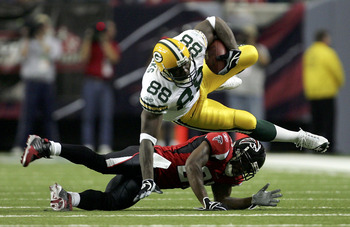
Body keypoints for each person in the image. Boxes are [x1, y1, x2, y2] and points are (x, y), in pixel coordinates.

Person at [137, 16, 329, 201]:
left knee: (251, 53)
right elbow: (147, 138)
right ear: (164, 71)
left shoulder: (190, 43)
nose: (185, 70)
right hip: (189, 109)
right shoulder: (155, 90)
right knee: (245, 121)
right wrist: (147, 179)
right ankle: (299, 137)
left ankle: (221, 79)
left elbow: (214, 22)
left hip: (203, 78)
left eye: (186, 64)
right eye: (178, 70)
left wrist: (232, 51)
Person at [21, 132, 282, 211]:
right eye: (244, 164)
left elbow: (222, 199)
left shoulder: (231, 174)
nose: (242, 171)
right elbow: (192, 165)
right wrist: (205, 201)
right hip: (151, 161)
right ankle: (45, 146)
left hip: (155, 181)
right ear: (237, 152)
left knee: (114, 203)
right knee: (101, 164)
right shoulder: (221, 143)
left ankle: (68, 199)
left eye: (248, 170)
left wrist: (251, 202)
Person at [11, 14, 61, 154]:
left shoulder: (51, 41)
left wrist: (41, 39)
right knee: (27, 116)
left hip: (47, 82)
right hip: (32, 82)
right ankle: (20, 145)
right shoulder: (28, 41)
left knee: (49, 116)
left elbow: (53, 55)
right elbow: (22, 55)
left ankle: (53, 147)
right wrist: (28, 37)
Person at [80, 20, 121, 154]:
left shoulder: (112, 44)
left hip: (106, 84)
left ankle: (105, 144)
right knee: (88, 115)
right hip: (91, 81)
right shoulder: (92, 45)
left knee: (106, 116)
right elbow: (83, 58)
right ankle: (88, 144)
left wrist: (104, 41)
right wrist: (88, 38)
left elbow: (114, 58)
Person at [302, 30, 345, 153]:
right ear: (325, 39)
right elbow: (336, 71)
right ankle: (329, 148)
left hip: (312, 92)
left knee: (316, 122)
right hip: (326, 91)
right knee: (328, 122)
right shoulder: (328, 52)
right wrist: (339, 83)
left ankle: (314, 147)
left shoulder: (309, 53)